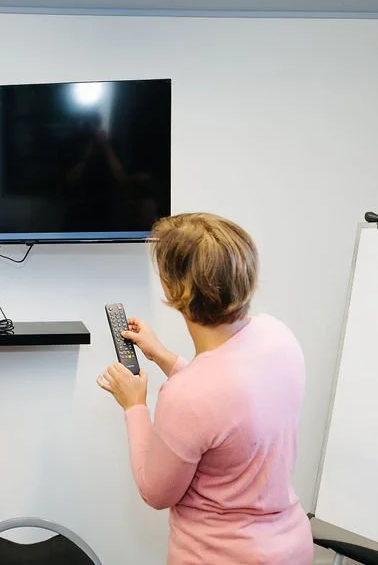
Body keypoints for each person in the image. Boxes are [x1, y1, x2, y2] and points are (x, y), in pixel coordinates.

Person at [97, 213, 313, 565]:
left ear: (173, 289)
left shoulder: (188, 394)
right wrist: (165, 357)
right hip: (292, 548)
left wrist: (134, 406)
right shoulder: (278, 336)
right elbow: (231, 407)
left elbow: (155, 492)